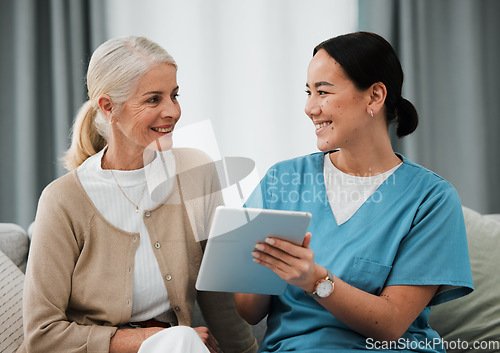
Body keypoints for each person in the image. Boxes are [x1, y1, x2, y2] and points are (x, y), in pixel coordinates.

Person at [235, 32, 473, 352]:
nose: (309, 107)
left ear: (374, 96)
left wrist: (315, 280)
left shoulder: (431, 199)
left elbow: (390, 324)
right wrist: (255, 263)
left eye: (323, 91)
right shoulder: (283, 179)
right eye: (308, 92)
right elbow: (249, 312)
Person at [19, 36, 257, 353]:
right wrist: (151, 339)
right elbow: (42, 335)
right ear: (108, 107)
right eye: (153, 100)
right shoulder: (62, 199)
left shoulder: (195, 170)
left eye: (174, 95)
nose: (172, 111)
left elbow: (219, 297)